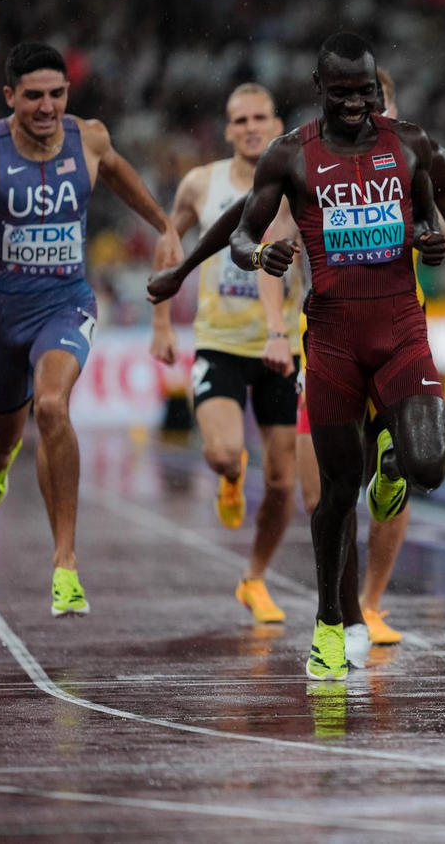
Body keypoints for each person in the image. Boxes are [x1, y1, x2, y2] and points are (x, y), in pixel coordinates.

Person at [232, 32, 445, 680]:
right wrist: (261, 256)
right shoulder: (290, 157)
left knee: (431, 465)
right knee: (335, 493)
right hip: (331, 342)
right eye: (342, 93)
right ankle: (330, 627)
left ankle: (391, 466)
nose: (357, 103)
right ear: (320, 91)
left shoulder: (414, 147)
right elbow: (243, 235)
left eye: (366, 91)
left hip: (399, 331)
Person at [0, 42, 181, 617]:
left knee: (53, 407)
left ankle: (65, 565)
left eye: (56, 94)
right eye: (33, 95)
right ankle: (0, 465)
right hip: (4, 314)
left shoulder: (92, 139)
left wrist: (164, 226)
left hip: (66, 302)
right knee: (3, 435)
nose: (47, 106)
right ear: (10, 96)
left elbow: (121, 178)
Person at [149, 83, 301, 624]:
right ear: (228, 127)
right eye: (241, 120)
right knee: (222, 454)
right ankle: (232, 478)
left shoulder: (299, 181)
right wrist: (162, 322)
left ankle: (254, 578)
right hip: (219, 340)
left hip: (282, 344)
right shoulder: (200, 183)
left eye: (261, 117)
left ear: (276, 120)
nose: (251, 127)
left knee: (284, 481)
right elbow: (171, 246)